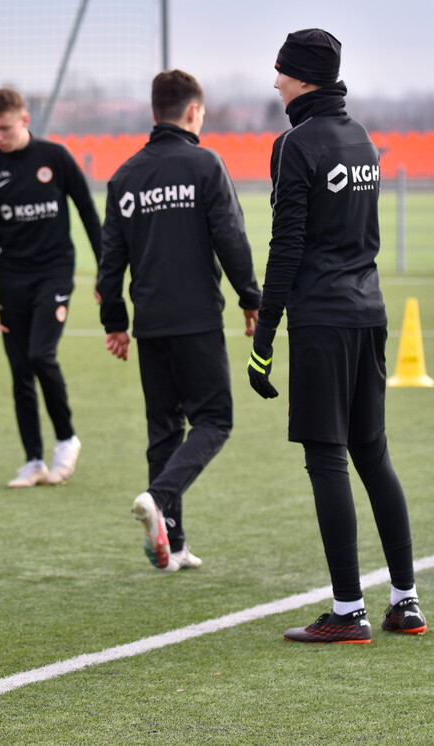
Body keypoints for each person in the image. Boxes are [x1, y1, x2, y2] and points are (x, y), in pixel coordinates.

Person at [250, 29, 425, 642]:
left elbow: (288, 243)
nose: (274, 82)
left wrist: (263, 333)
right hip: (368, 313)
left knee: (327, 459)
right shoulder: (361, 139)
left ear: (301, 76)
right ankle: (406, 603)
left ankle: (348, 611)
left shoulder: (294, 144)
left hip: (322, 320)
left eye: (280, 72)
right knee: (372, 453)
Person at [97, 70, 261, 572]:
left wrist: (115, 322)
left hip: (150, 323)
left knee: (164, 430)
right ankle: (160, 498)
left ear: (154, 113)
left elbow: (110, 260)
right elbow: (230, 236)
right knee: (215, 419)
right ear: (194, 112)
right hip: (197, 319)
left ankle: (173, 546)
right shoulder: (205, 164)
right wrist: (250, 297)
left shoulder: (125, 176)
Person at [0, 87, 102, 488]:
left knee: (41, 355)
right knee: (20, 372)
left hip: (55, 274)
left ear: (24, 120)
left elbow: (87, 211)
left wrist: (106, 269)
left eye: (5, 128)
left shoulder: (55, 158)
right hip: (12, 280)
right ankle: (33, 460)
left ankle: (67, 440)